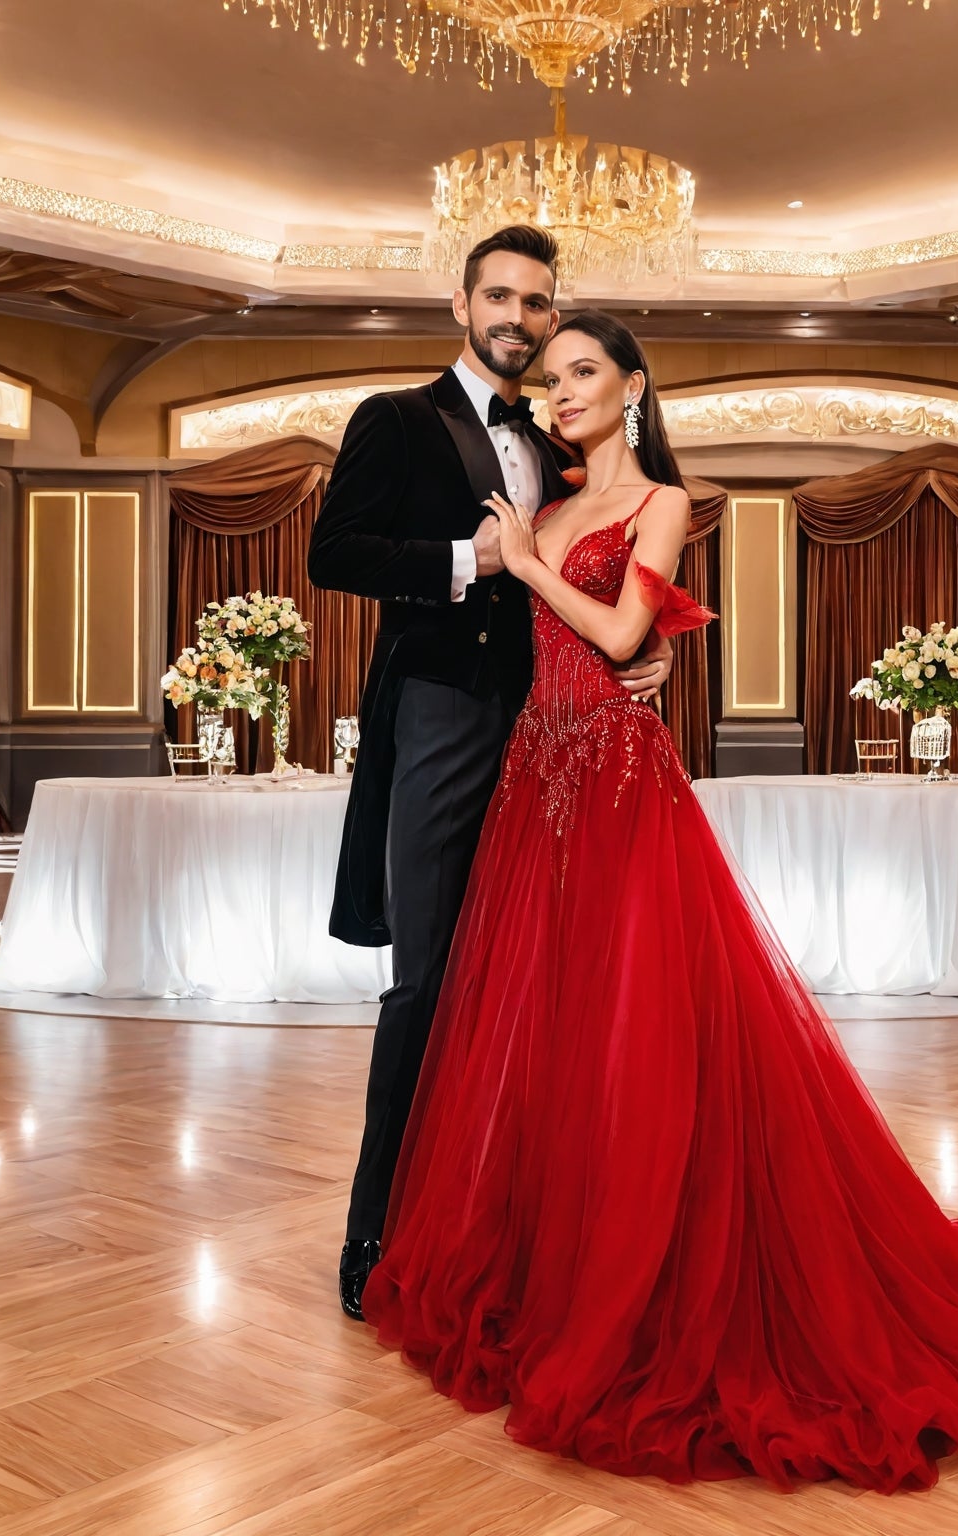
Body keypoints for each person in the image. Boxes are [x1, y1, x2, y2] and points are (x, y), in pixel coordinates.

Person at [360, 309, 958, 1493]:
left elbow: (627, 626)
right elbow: (553, 650)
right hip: (538, 785)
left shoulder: (658, 503)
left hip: (626, 792)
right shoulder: (548, 505)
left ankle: (658, 1278)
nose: (564, 390)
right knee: (557, 1045)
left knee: (646, 1036)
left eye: (587, 372)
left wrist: (550, 583)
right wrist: (557, 598)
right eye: (556, 376)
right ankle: (557, 1271)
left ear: (633, 388)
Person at [307, 227, 672, 1320]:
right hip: (443, 719)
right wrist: (473, 561)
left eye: (539, 303)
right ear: (462, 302)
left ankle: (515, 1224)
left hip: (548, 741)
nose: (519, 317)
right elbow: (335, 553)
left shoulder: (553, 441)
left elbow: (608, 564)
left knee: (538, 988)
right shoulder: (399, 421)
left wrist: (642, 652)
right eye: (500, 296)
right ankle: (375, 1227)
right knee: (424, 980)